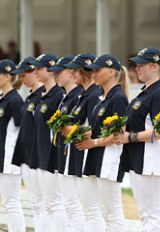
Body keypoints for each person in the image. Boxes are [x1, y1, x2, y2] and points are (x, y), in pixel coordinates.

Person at [113, 47, 160, 232]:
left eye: (141, 65)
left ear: (154, 67)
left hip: (151, 158)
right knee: (145, 213)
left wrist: (130, 137)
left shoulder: (159, 93)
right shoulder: (146, 92)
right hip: (138, 156)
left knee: (153, 213)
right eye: (136, 65)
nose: (137, 68)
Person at [75, 54, 129, 231]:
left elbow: (119, 135)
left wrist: (94, 142)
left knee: (112, 213)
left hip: (109, 160)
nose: (94, 74)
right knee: (101, 212)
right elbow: (96, 128)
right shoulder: (102, 98)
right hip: (97, 157)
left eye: (98, 70)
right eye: (93, 70)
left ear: (112, 72)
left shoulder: (118, 98)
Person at [60, 53, 103, 231]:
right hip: (77, 152)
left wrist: (70, 130)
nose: (72, 74)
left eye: (76, 70)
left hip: (86, 153)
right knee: (76, 206)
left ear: (84, 72)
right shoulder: (85, 95)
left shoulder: (93, 95)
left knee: (90, 209)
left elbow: (94, 128)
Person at [28, 54, 67, 232]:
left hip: (53, 155)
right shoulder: (45, 94)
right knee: (45, 203)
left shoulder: (59, 95)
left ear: (50, 69)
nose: (35, 71)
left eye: (39, 68)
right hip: (41, 155)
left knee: (55, 204)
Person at [47, 55, 85, 232]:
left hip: (76, 153)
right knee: (68, 204)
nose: (56, 76)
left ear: (71, 72)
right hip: (65, 154)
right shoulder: (67, 97)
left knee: (75, 205)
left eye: (60, 72)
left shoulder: (78, 95)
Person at [11, 56, 47, 232]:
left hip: (37, 155)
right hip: (27, 155)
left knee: (45, 203)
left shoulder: (42, 96)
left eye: (25, 74)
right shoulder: (31, 96)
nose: (22, 78)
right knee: (36, 203)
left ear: (35, 72)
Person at [0, 59, 25, 231]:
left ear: (7, 76)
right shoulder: (4, 98)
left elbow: (22, 130)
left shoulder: (15, 100)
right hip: (2, 157)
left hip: (10, 159)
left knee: (11, 202)